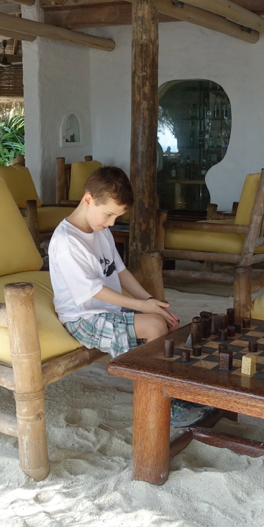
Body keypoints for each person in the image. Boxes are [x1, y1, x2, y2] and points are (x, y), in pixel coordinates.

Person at [49, 166, 210, 426]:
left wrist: (151, 302)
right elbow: (93, 291)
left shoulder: (99, 228)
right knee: (154, 325)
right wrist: (142, 308)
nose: (111, 223)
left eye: (116, 216)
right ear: (88, 199)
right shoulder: (67, 241)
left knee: (166, 321)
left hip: (107, 310)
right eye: (109, 214)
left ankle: (174, 392)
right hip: (82, 318)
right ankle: (161, 404)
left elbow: (120, 272)